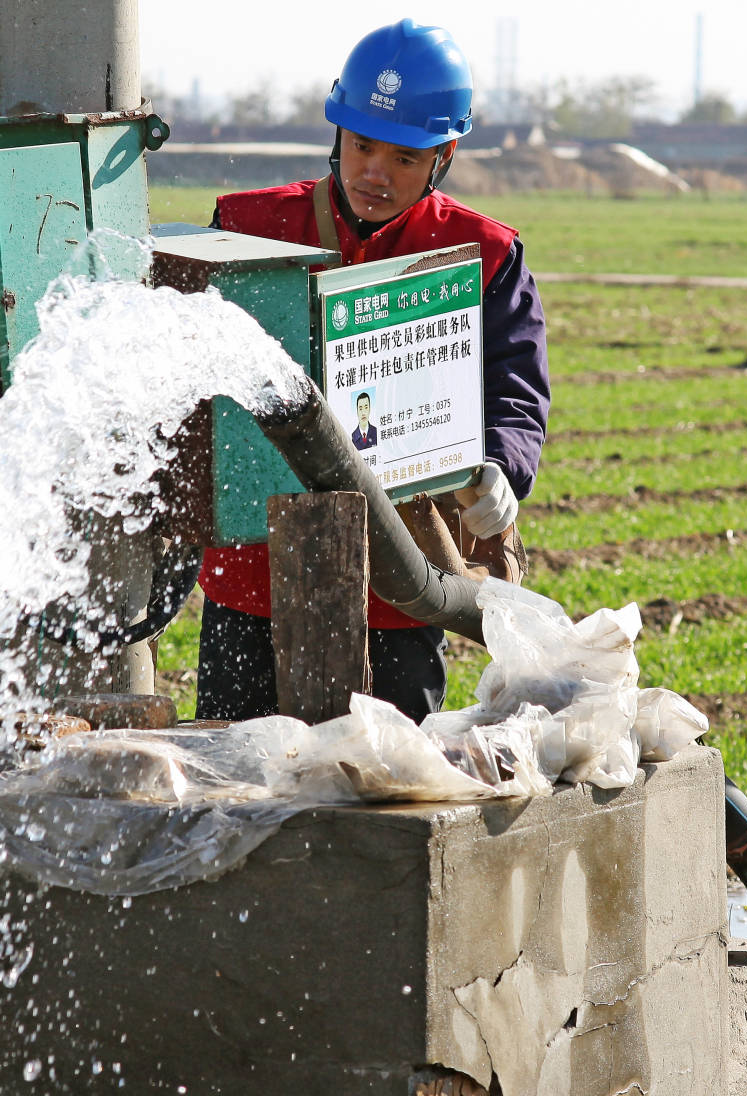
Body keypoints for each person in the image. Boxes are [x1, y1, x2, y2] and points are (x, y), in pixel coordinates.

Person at [195, 18, 550, 723]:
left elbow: (516, 387)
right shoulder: (246, 225)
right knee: (236, 785)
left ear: (444, 155)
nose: (373, 174)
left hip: (401, 578)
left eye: (403, 158)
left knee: (390, 799)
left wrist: (503, 466)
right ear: (337, 135)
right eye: (361, 146)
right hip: (254, 576)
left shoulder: (483, 253)